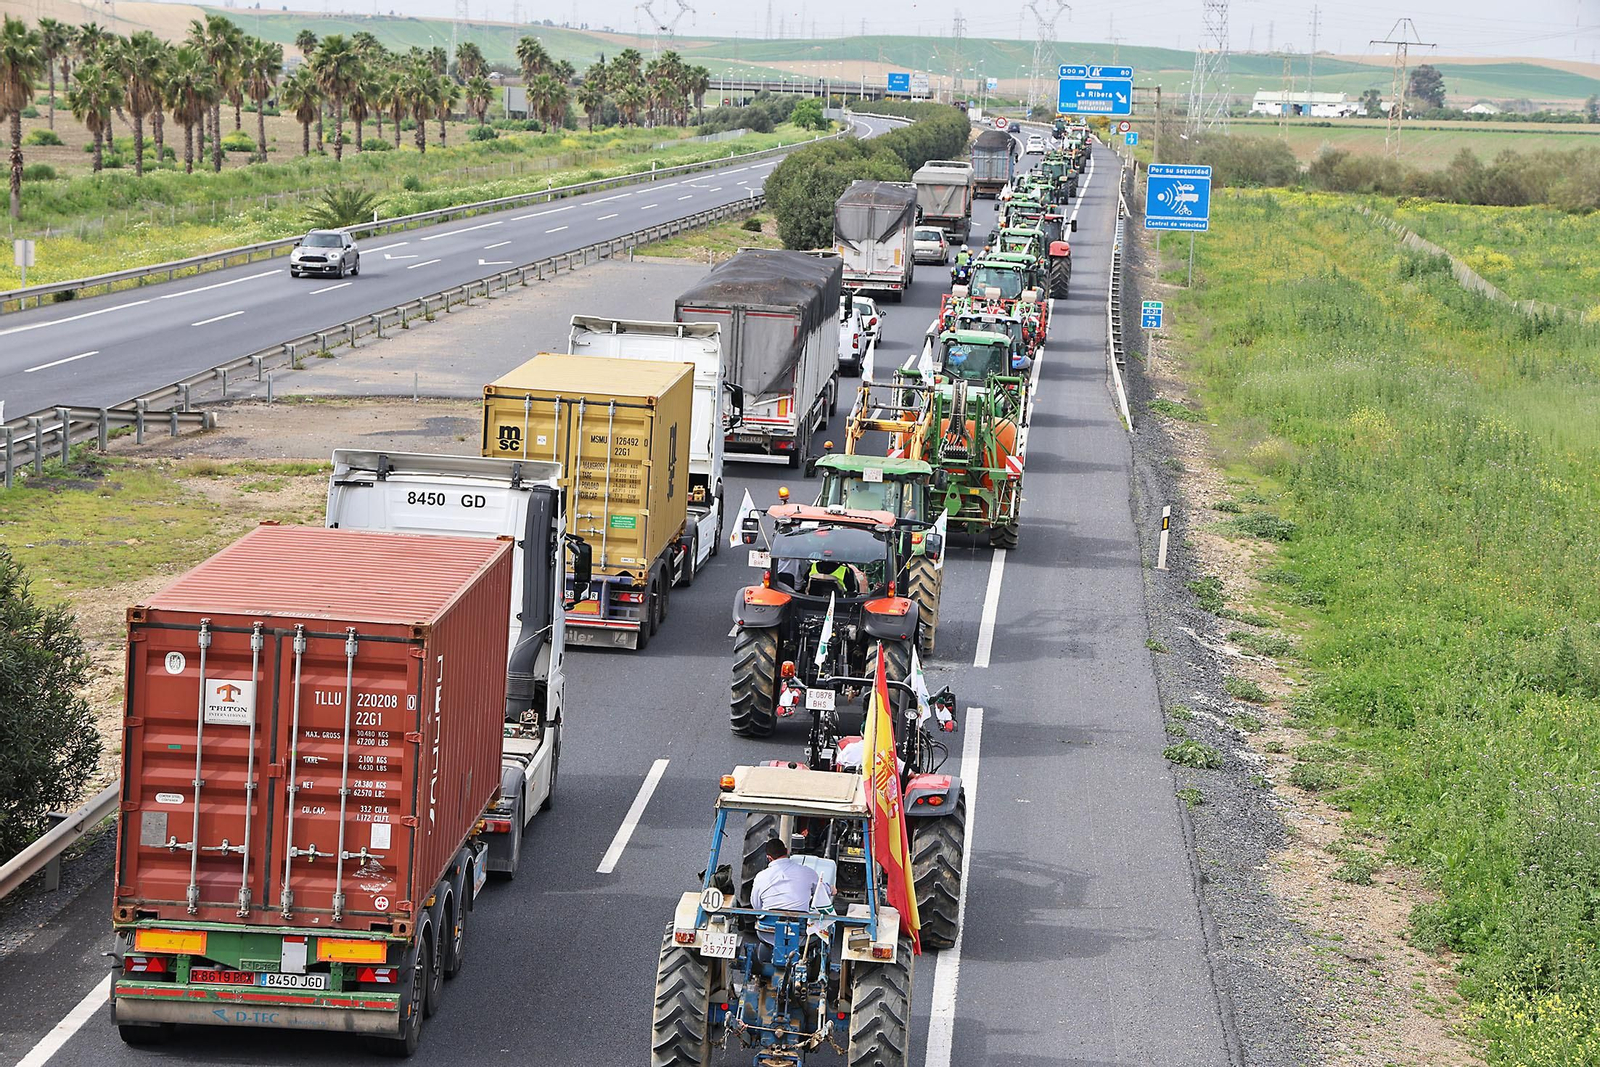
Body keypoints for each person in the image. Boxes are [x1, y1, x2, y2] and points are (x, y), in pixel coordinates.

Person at [751, 839, 824, 944]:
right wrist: (831, 889)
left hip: (768, 932)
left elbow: (756, 906)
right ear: (787, 851)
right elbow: (821, 893)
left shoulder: (760, 876)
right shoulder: (808, 872)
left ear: (769, 858)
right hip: (800, 934)